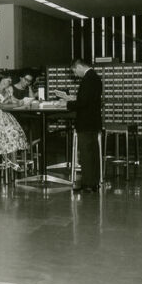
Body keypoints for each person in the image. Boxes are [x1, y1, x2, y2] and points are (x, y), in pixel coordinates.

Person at [54, 59, 102, 192]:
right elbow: (87, 99)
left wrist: (66, 104)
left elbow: (83, 103)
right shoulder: (94, 77)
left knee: (86, 153)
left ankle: (87, 184)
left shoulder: (88, 79)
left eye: (74, 71)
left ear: (79, 66)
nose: (75, 74)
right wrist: (74, 99)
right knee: (93, 154)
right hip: (93, 121)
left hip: (86, 121)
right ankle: (94, 182)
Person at [0, 73, 28, 168]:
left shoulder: (7, 90)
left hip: (5, 116)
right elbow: (0, 106)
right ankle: (12, 161)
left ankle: (12, 161)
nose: (10, 82)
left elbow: (13, 100)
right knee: (11, 133)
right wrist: (17, 105)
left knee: (16, 132)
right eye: (9, 80)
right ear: (2, 80)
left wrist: (24, 102)